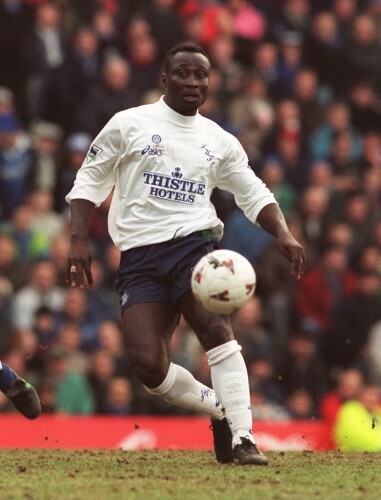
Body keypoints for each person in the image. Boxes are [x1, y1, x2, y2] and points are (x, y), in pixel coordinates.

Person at [66, 42, 305, 466]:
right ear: (164, 79)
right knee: (148, 368)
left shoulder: (219, 140)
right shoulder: (129, 124)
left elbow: (252, 191)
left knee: (216, 330)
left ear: (209, 82)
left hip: (194, 247)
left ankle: (245, 437)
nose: (193, 82)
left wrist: (283, 232)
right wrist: (79, 240)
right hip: (139, 256)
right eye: (183, 73)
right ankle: (220, 410)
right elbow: (90, 178)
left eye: (201, 75)